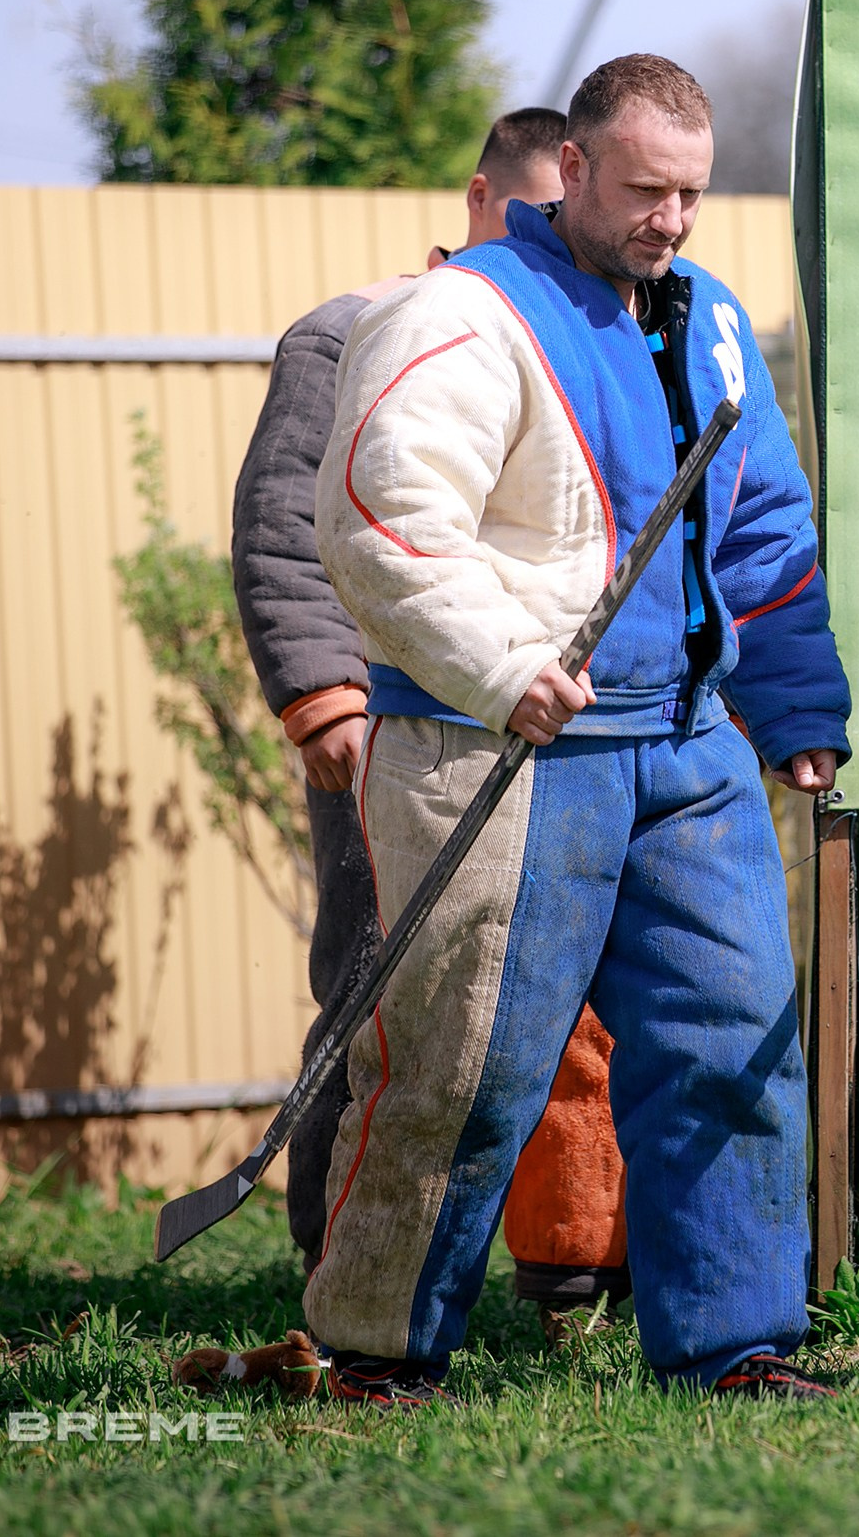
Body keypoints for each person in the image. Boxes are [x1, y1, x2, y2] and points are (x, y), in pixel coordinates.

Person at [306, 55, 850, 1405]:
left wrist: (797, 710)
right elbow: (378, 517)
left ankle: (737, 1343)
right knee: (462, 1068)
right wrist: (500, 666)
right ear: (576, 170)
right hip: (501, 746)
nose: (672, 219)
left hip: (688, 748)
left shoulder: (714, 319)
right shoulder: (463, 311)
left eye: (694, 194)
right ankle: (377, 1348)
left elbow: (770, 526)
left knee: (734, 1044)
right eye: (648, 189)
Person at [231, 106, 634, 1337]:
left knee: (574, 1006)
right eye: (523, 217)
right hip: (393, 720)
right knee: (383, 991)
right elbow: (287, 526)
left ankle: (568, 1271)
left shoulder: (598, 330)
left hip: (559, 725)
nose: (541, 241)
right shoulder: (350, 328)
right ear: (479, 200)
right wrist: (322, 694)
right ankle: (334, 1267)